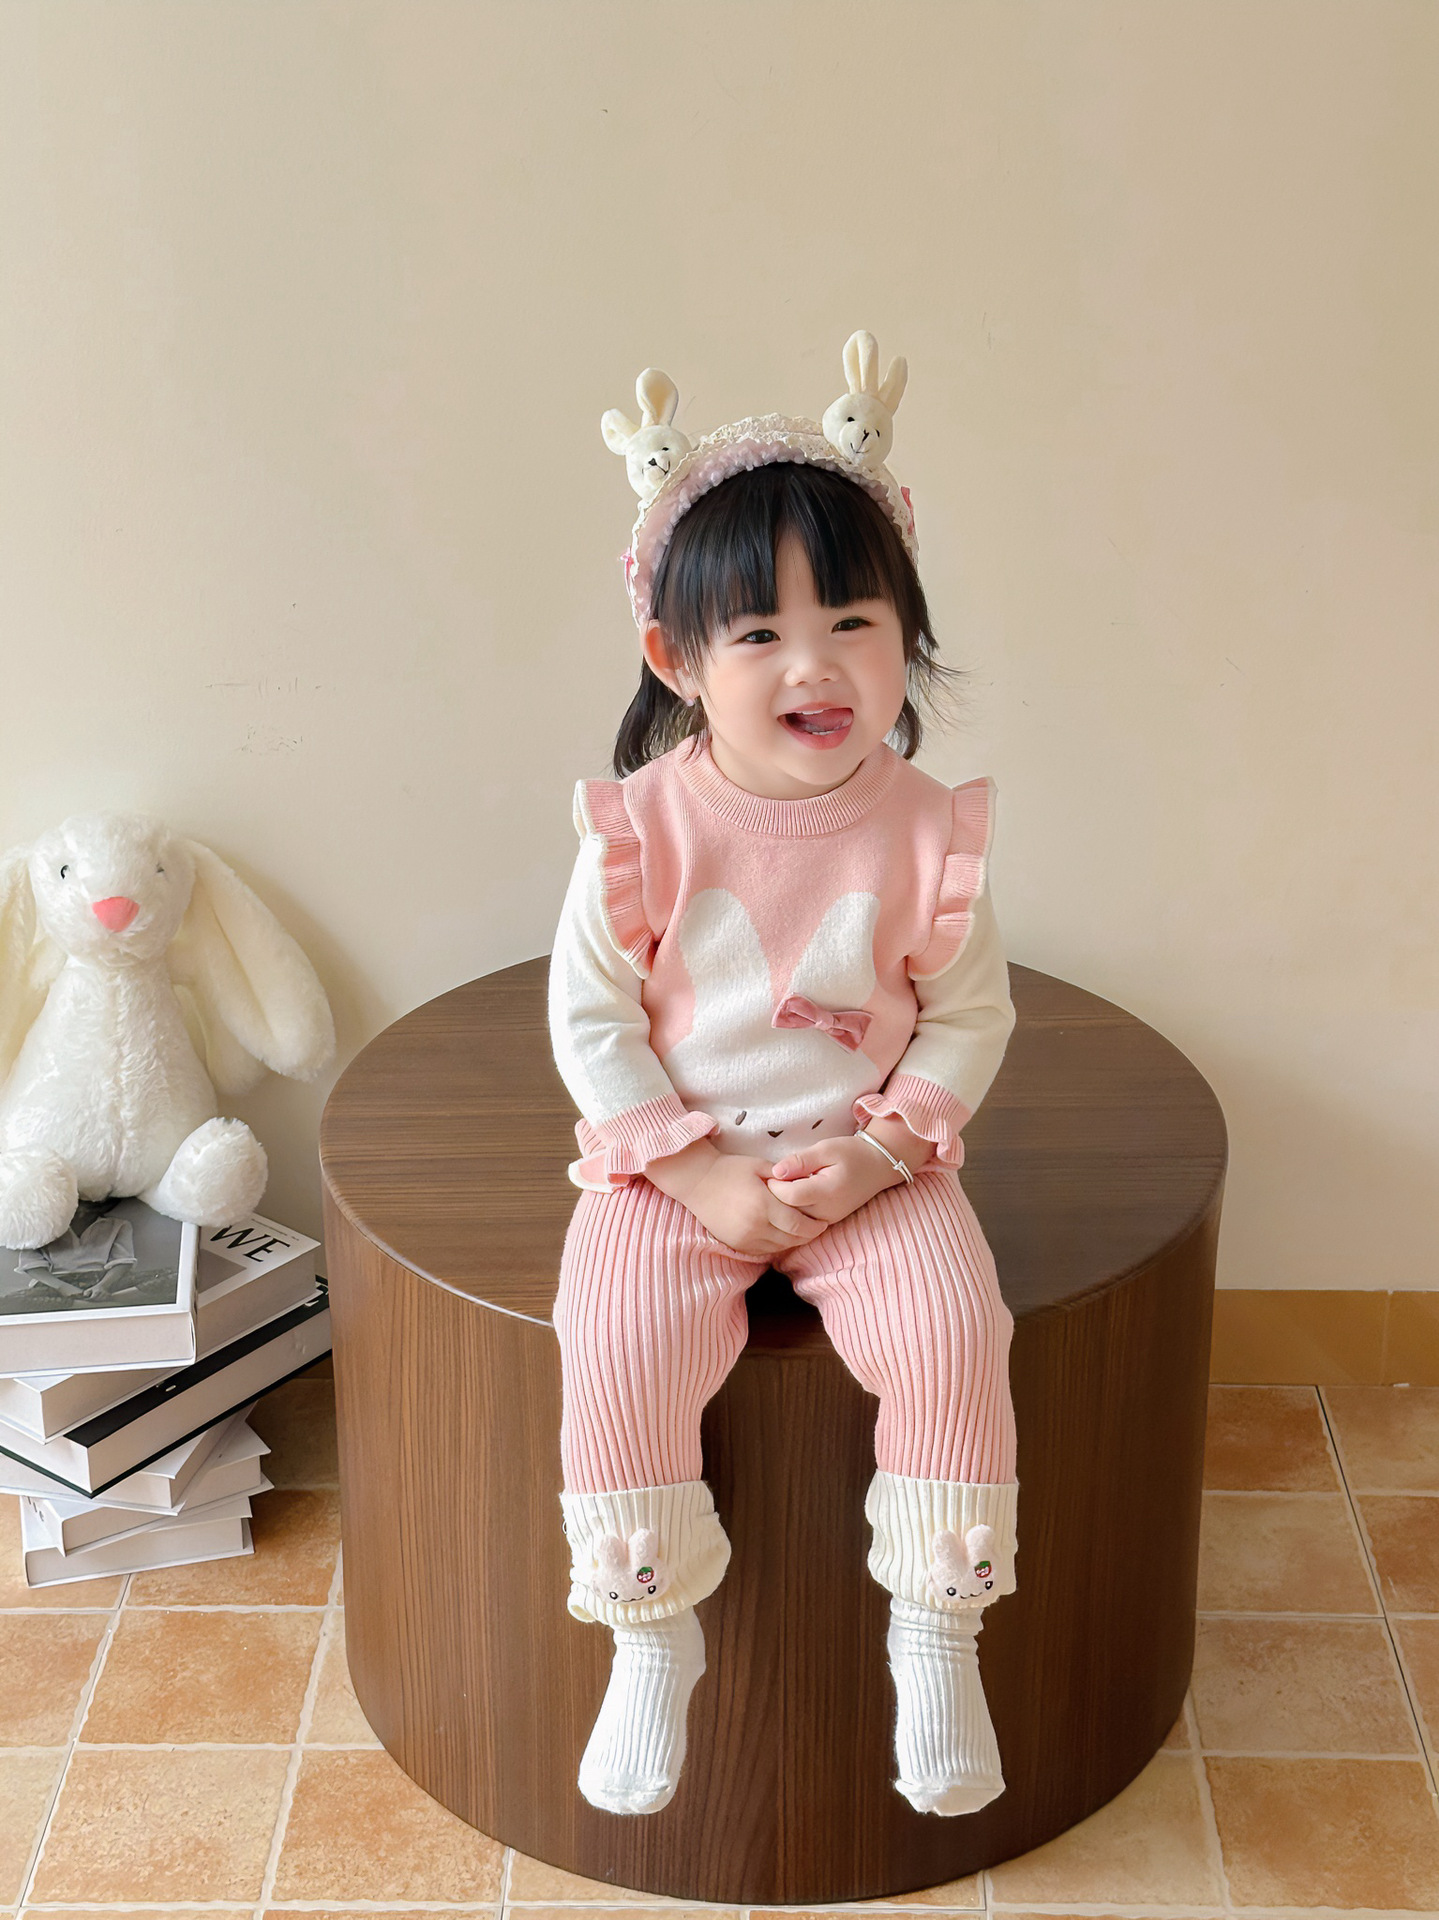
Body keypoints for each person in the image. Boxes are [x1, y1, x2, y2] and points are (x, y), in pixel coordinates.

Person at [548, 337, 1018, 1819]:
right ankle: (650, 1635)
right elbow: (592, 1020)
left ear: (906, 639)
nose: (813, 664)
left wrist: (883, 1156)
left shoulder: (926, 827)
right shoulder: (642, 828)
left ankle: (938, 1633)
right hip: (676, 1166)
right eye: (758, 632)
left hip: (870, 1160)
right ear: (677, 662)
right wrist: (692, 1170)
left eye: (853, 622)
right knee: (615, 1337)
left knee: (955, 1329)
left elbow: (968, 1017)